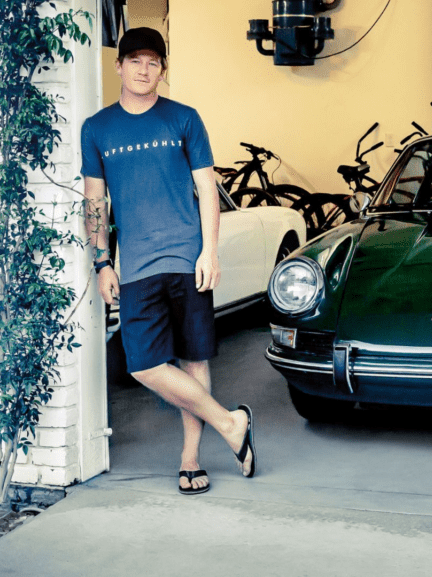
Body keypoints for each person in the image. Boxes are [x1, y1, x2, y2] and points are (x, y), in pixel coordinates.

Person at [81, 27, 255, 495]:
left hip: (185, 258)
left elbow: (206, 189)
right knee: (142, 364)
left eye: (153, 61)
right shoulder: (97, 128)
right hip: (134, 264)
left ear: (162, 69)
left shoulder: (184, 118)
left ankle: (190, 458)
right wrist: (102, 263)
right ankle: (230, 423)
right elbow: (95, 202)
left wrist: (209, 251)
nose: (143, 69)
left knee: (192, 356)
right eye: (134, 60)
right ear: (118, 66)